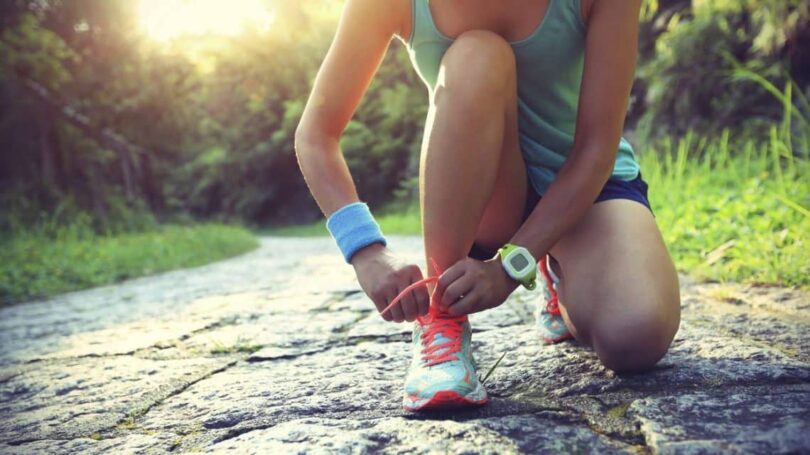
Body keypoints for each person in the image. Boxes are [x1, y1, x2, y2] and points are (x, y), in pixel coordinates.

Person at [295, 0, 681, 412]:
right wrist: (365, 251)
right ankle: (441, 324)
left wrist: (512, 264)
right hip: (489, 194)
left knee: (635, 335)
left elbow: (595, 147)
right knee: (477, 53)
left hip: (583, 187)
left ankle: (553, 268)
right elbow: (316, 135)